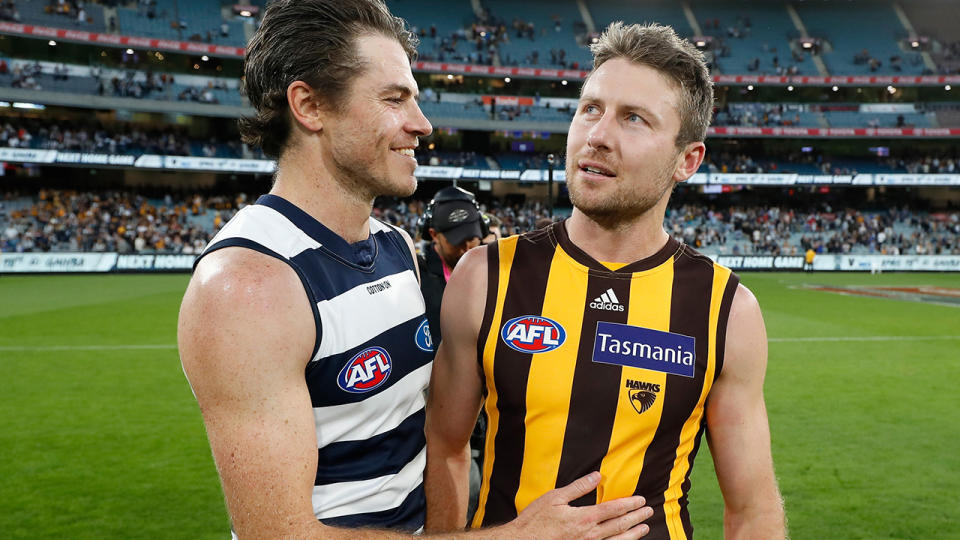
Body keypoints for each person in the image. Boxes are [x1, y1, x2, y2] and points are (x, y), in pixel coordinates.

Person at [178, 1, 652, 538]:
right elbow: (281, 534)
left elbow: (428, 437)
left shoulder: (395, 246)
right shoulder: (248, 287)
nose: (421, 125)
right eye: (394, 99)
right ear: (309, 106)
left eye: (416, 100)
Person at [425, 22, 786, 538]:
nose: (597, 135)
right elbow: (444, 448)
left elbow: (752, 510)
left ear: (688, 159)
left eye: (633, 119)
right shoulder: (484, 277)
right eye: (590, 108)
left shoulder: (726, 309)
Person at [417, 185, 485, 345]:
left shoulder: (491, 269)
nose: (467, 248)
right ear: (434, 235)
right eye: (457, 241)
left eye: (472, 238)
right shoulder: (417, 275)